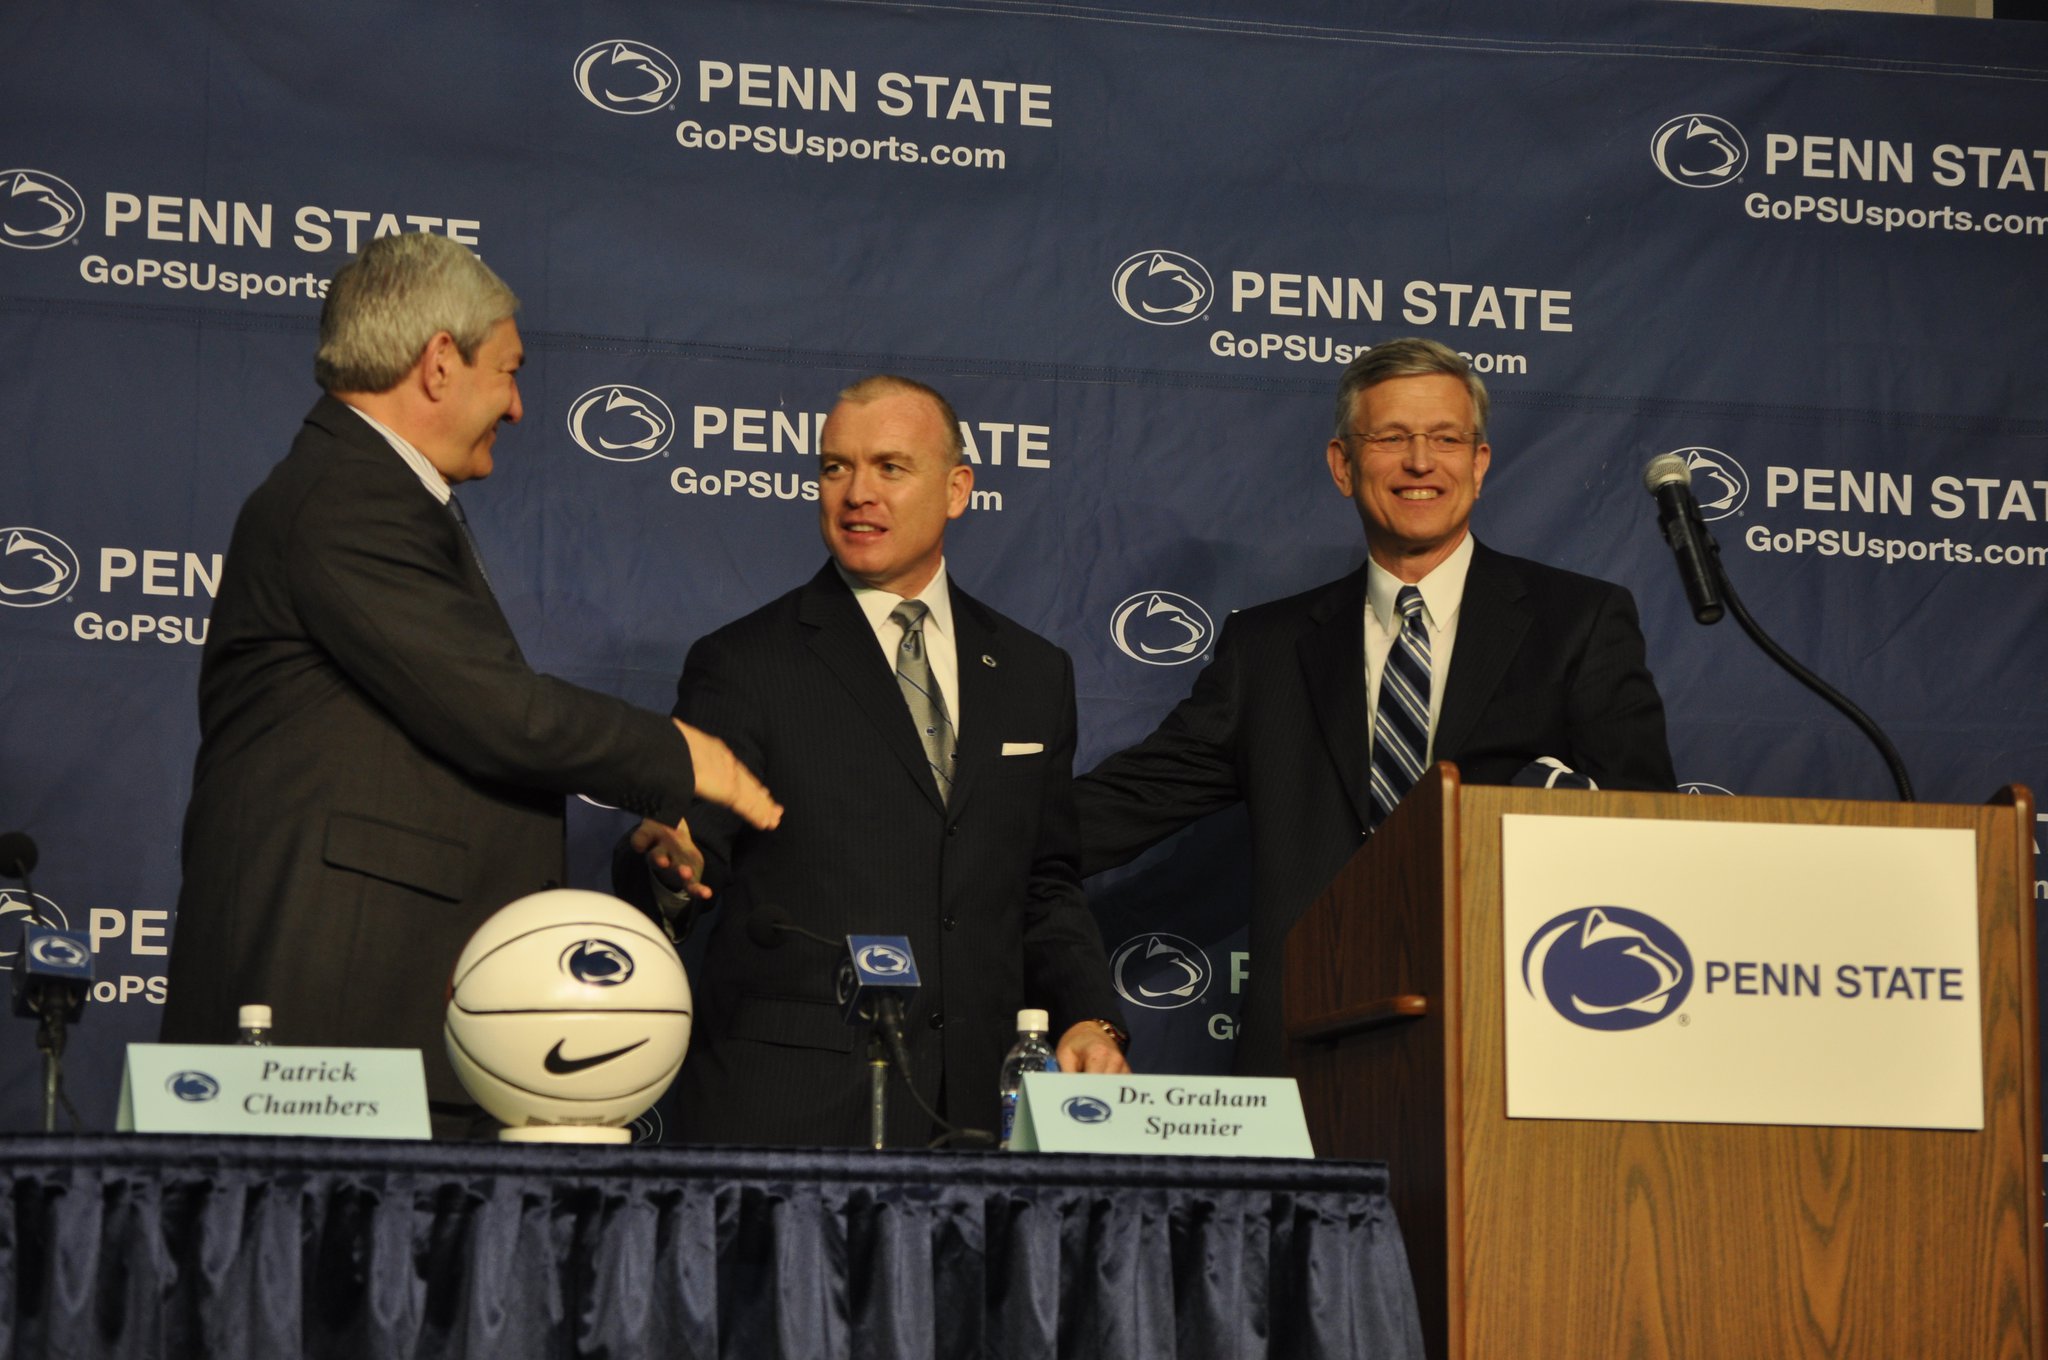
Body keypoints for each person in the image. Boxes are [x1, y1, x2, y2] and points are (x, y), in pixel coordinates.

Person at [160, 233, 779, 1131]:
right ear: (440, 362)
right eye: (510, 370)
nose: (520, 408)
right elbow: (499, 714)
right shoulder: (347, 496)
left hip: (382, 1016)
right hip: (330, 1025)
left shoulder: (367, 492)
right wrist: (682, 758)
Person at [1076, 338, 1674, 1076]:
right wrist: (956, 833)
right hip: (1311, 1045)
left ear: (1479, 465)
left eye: (1447, 439)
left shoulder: (1577, 623)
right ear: (1343, 465)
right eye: (1391, 438)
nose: (1421, 462)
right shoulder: (1267, 649)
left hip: (1514, 1038)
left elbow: (1649, 833)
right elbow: (1129, 800)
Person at [618, 374, 1129, 1147]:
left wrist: (1092, 1016)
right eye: (835, 468)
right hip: (796, 1112)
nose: (857, 493)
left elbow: (1044, 881)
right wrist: (671, 866)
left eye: (890, 467)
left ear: (957, 489)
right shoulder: (746, 663)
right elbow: (691, 847)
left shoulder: (1033, 671)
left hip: (977, 1115)